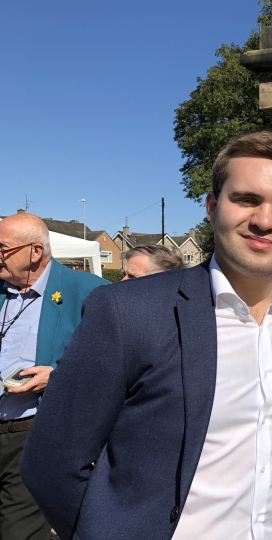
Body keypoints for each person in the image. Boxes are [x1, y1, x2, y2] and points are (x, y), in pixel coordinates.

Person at [20, 131, 272, 540]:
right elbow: (50, 464)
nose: (264, 220)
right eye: (246, 200)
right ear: (211, 207)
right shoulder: (128, 311)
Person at [0, 212, 107, 540]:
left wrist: (58, 377)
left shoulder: (89, 291)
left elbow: (113, 365)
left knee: (19, 531)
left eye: (2, 250)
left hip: (32, 436)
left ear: (34, 252)